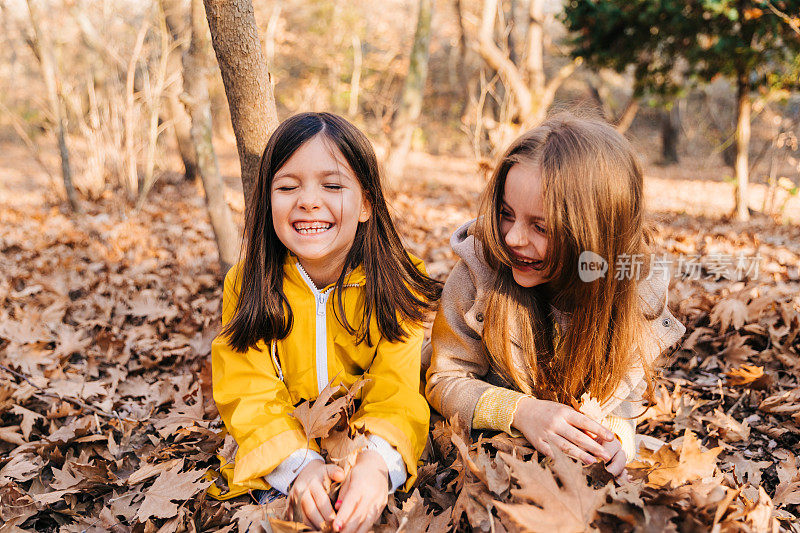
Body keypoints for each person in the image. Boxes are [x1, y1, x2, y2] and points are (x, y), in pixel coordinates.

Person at [212, 112, 440, 533]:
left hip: (369, 449)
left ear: (367, 203)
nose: (308, 201)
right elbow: (246, 386)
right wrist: (298, 466)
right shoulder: (247, 284)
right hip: (279, 455)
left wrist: (376, 465)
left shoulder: (395, 280)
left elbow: (399, 388)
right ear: (267, 200)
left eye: (332, 185)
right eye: (287, 186)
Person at [424, 114, 685, 477]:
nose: (513, 238)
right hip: (483, 460)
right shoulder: (480, 270)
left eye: (540, 226)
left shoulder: (637, 299)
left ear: (597, 233)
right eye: (506, 214)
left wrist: (614, 442)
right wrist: (521, 412)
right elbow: (444, 380)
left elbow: (625, 404)